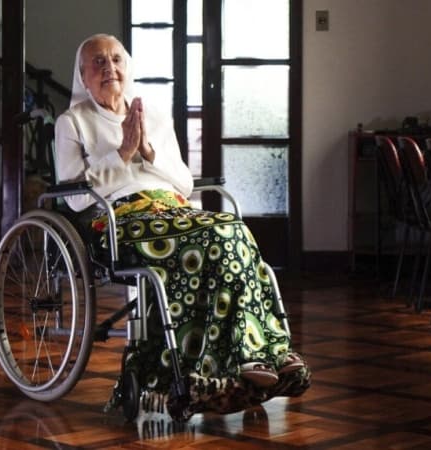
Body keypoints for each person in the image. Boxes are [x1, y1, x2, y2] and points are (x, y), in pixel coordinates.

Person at [54, 34, 309, 418]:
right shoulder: (72, 122)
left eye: (116, 59)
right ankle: (233, 361)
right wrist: (122, 152)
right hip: (119, 221)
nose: (110, 68)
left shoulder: (153, 115)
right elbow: (74, 197)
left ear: (129, 67)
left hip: (171, 211)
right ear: (82, 76)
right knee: (216, 234)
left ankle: (263, 353)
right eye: (98, 62)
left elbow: (184, 183)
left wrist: (148, 152)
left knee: (231, 229)